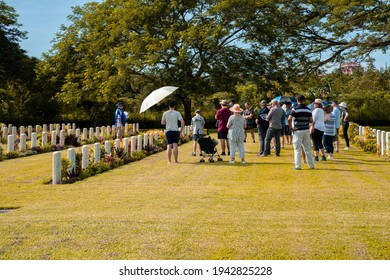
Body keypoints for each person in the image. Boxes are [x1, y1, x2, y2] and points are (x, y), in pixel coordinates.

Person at [288, 95, 315, 170]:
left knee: (297, 149)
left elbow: (289, 119)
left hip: (297, 130)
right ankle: (311, 165)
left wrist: (291, 128)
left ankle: (298, 166)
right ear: (304, 100)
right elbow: (311, 121)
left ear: (297, 100)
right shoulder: (308, 109)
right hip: (306, 130)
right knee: (308, 148)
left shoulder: (295, 109)